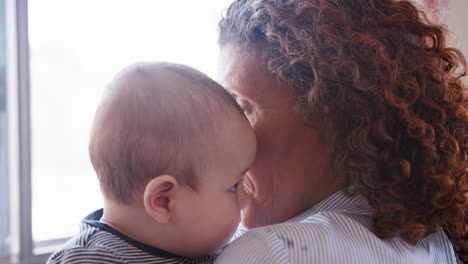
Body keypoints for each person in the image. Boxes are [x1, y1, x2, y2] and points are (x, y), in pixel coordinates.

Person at [215, 0, 468, 263]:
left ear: (331, 109)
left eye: (240, 110)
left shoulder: (271, 252)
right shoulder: (435, 242)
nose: (217, 146)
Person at [47, 62, 256, 264]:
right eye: (233, 186)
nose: (246, 200)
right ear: (163, 200)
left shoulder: (198, 246)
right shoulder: (88, 259)